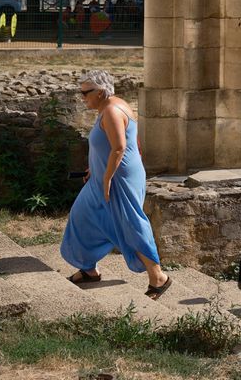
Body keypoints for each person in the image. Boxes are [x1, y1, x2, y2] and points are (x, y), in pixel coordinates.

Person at [60, 70, 171, 299]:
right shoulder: (107, 107)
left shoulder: (111, 110)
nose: (82, 98)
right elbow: (117, 144)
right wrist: (96, 168)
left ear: (100, 92)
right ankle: (89, 269)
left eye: (85, 93)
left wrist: (108, 176)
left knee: (130, 224)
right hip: (104, 176)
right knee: (82, 215)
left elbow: (119, 147)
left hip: (119, 179)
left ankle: (158, 276)